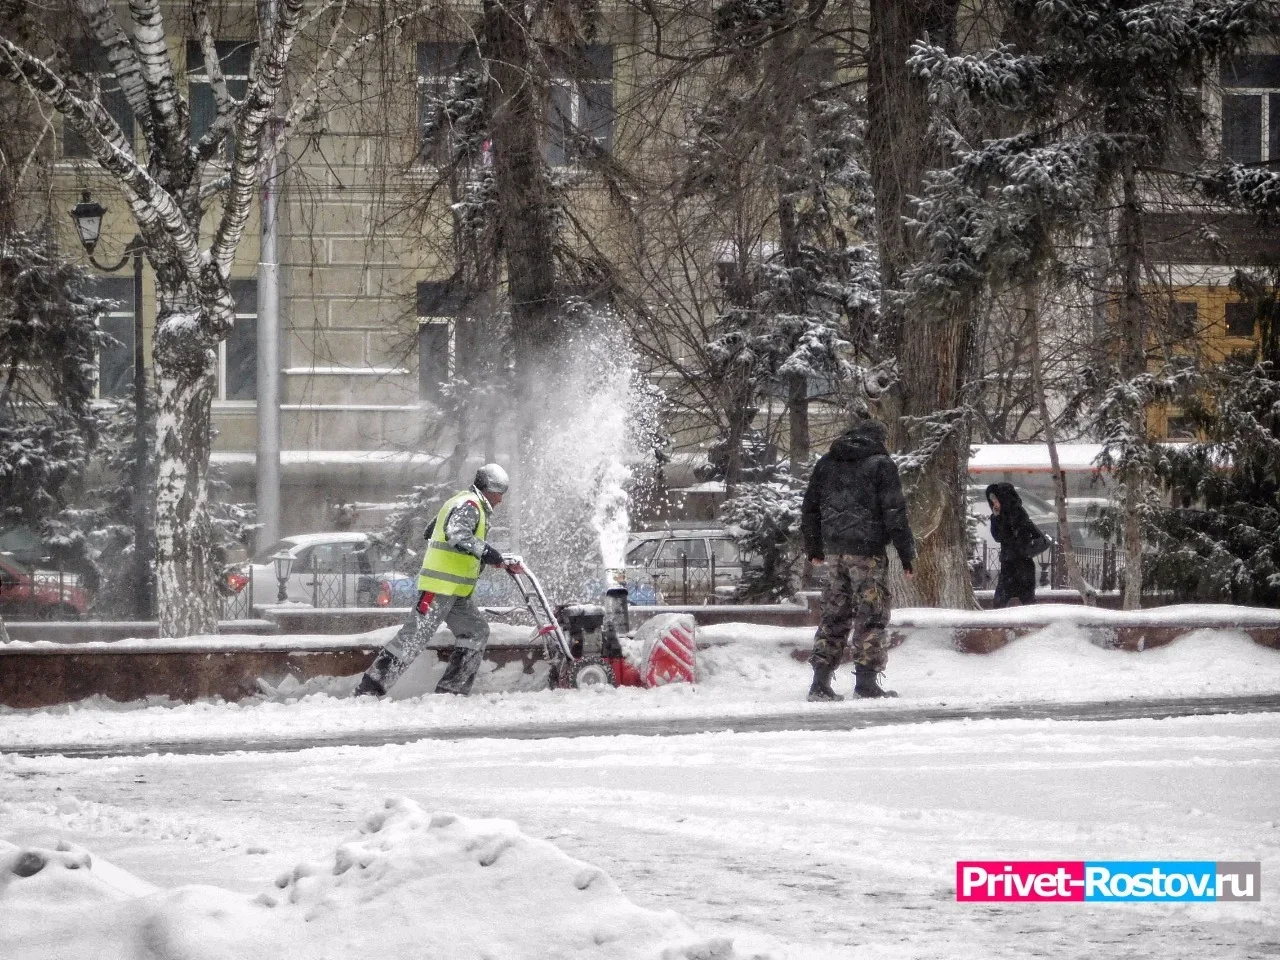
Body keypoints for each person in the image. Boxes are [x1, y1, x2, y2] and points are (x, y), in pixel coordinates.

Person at [354, 464, 515, 697]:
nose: (500, 500)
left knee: (476, 631)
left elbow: (431, 531)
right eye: (500, 493)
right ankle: (369, 689)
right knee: (413, 637)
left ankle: (452, 690)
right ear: (490, 489)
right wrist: (487, 553)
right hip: (439, 588)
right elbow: (456, 533)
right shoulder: (470, 504)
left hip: (457, 592)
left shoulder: (457, 501)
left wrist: (484, 558)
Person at [801, 415, 915, 701]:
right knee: (871, 615)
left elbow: (810, 508)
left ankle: (820, 682)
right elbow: (894, 512)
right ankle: (866, 683)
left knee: (833, 614)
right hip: (868, 552)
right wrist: (906, 554)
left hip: (835, 552)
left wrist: (814, 548)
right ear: (878, 438)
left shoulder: (826, 463)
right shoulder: (880, 464)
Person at [985, 482, 1050, 609]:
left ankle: (1030, 627)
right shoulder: (998, 516)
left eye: (996, 499)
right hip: (1008, 566)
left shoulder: (1019, 514)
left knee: (1027, 602)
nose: (995, 503)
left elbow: (1030, 536)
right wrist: (996, 517)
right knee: (999, 602)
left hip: (1023, 566)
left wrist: (1024, 550)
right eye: (993, 500)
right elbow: (998, 537)